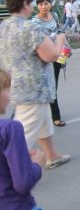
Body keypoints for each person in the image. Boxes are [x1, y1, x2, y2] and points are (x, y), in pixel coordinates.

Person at [0, 0, 71, 170]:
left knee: (44, 123)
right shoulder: (31, 27)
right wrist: (61, 40)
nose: (33, 6)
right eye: (31, 3)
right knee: (24, 134)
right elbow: (50, 55)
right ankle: (8, 170)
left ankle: (52, 156)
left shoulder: (4, 26)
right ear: (25, 4)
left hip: (14, 84)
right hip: (33, 89)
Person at [0, 69, 46, 210]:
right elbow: (22, 183)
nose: (10, 95)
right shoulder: (9, 129)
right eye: (7, 89)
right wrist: (36, 165)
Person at [32, 0, 67, 127]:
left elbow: (59, 32)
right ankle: (53, 116)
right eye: (41, 4)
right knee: (46, 87)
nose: (44, 6)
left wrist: (64, 48)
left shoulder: (54, 16)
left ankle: (53, 116)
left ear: (50, 4)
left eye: (46, 3)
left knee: (54, 86)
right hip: (44, 58)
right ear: (37, 6)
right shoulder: (34, 22)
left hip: (58, 54)